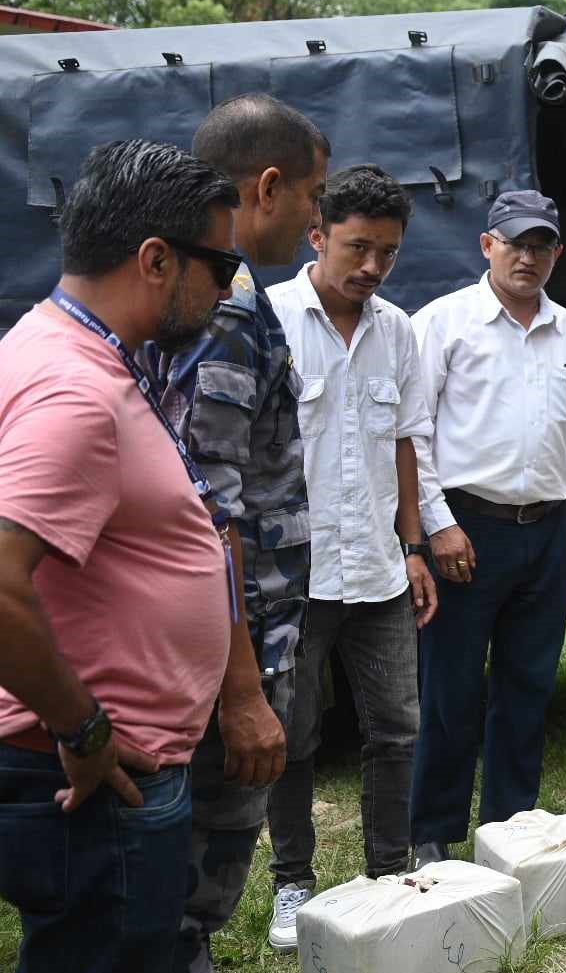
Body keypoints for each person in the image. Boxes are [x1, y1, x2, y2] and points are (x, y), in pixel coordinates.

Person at [0, 139, 240, 973]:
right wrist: (86, 728)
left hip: (109, 770)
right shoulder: (76, 392)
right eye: (221, 266)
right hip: (103, 780)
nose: (228, 289)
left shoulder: (64, 351)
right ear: (155, 259)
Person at [152, 94, 328, 972]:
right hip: (232, 641)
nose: (314, 219)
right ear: (266, 186)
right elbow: (207, 509)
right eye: (312, 196)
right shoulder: (226, 311)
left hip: (236, 633)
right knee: (192, 886)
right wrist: (244, 686)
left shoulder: (217, 297)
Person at [407, 190, 566, 864]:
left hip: (544, 532)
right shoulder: (445, 323)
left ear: (558, 252)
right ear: (486, 245)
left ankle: (509, 828)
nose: (528, 256)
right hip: (467, 530)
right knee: (452, 692)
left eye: (541, 245)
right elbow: (413, 434)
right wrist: (437, 525)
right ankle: (431, 837)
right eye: (515, 242)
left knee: (528, 688)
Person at [264, 165, 437, 951]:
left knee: (396, 726)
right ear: (317, 236)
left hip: (377, 569)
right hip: (293, 577)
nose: (371, 267)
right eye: (357, 247)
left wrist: (413, 543)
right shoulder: (267, 320)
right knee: (293, 735)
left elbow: (404, 442)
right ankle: (292, 881)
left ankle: (389, 871)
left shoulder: (397, 331)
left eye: (388, 253)